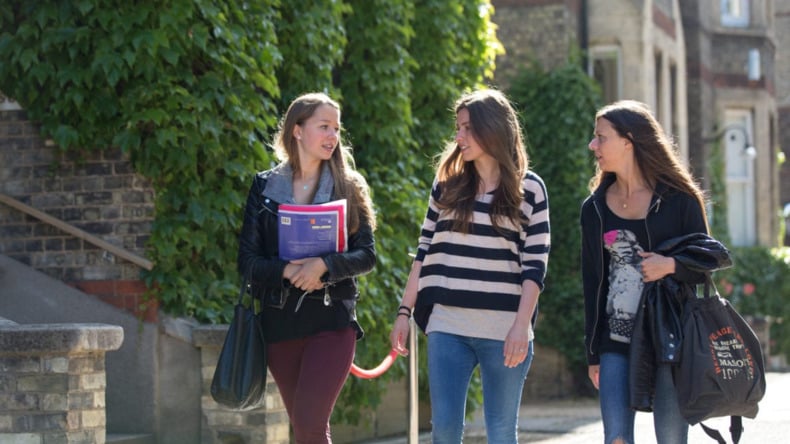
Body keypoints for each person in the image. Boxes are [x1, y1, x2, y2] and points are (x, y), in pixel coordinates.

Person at [390, 88, 550, 444]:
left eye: (467, 128)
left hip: (505, 329)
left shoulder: (530, 189)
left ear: (492, 128)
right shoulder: (446, 185)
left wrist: (521, 325)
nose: (459, 137)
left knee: (501, 433)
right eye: (457, 128)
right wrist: (404, 312)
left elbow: (535, 266)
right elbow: (424, 251)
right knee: (444, 431)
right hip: (448, 324)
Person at [237, 92, 376, 443]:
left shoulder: (348, 186)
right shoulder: (264, 187)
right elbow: (247, 262)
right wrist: (289, 271)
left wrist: (324, 265)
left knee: (310, 423)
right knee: (305, 430)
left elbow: (367, 256)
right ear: (297, 131)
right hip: (279, 325)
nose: (333, 136)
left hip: (332, 323)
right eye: (324, 127)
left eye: (336, 129)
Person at [581, 100, 709, 444]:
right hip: (616, 341)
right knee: (616, 438)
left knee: (671, 440)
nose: (593, 145)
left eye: (601, 137)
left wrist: (671, 265)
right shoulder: (594, 209)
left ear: (629, 141)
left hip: (669, 340)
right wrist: (593, 352)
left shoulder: (680, 199)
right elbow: (592, 283)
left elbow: (707, 262)